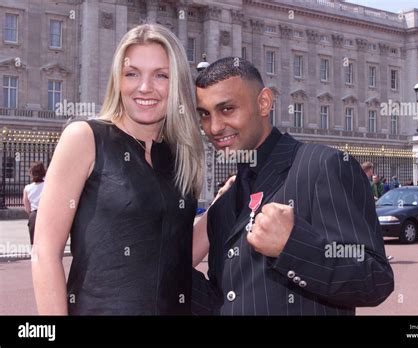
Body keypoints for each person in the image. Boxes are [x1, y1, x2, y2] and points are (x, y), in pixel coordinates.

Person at [192, 58, 394, 315]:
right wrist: (160, 273)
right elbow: (226, 298)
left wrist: (293, 247)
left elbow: (376, 280)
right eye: (205, 114)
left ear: (263, 102)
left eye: (228, 109)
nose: (214, 127)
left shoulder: (322, 165)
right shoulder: (227, 200)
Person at [32, 24, 204, 315]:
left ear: (177, 83)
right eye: (132, 73)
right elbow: (44, 252)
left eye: (161, 75)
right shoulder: (85, 137)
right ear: (118, 79)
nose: (145, 87)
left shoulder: (181, 155)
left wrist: (227, 204)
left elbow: (175, 256)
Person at [23, 162, 46, 245]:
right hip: (47, 214)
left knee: (34, 244)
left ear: (31, 173)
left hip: (34, 215)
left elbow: (27, 208)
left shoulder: (27, 188)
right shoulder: (48, 185)